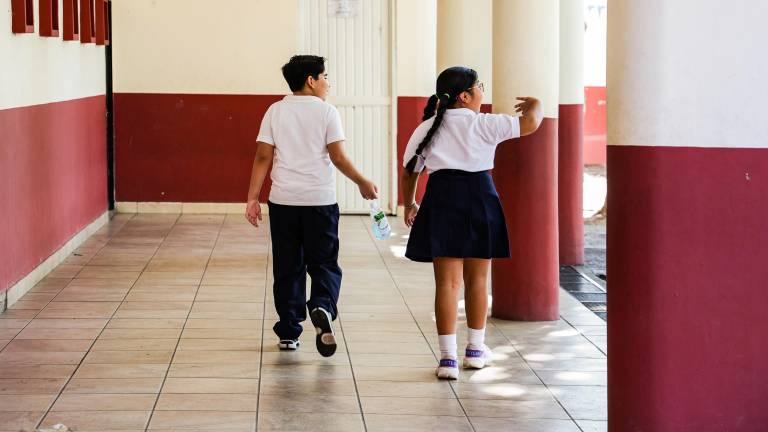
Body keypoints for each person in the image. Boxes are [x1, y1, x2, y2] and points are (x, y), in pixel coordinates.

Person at [400, 66, 543, 379]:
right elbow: (531, 122)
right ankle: (475, 351)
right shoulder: (486, 124)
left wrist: (410, 204)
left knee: (446, 284)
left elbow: (410, 172)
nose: (482, 90)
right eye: (479, 85)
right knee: (478, 281)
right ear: (465, 96)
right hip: (480, 198)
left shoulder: (427, 128)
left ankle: (447, 359)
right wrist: (536, 104)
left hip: (441, 199)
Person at [245, 55, 378, 357]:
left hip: (284, 202)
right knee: (324, 263)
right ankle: (322, 306)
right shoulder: (327, 112)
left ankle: (289, 331)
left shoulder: (275, 111)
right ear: (311, 80)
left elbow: (263, 156)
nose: (327, 83)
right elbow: (338, 157)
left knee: (288, 266)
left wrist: (252, 198)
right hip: (319, 202)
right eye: (325, 77)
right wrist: (362, 181)